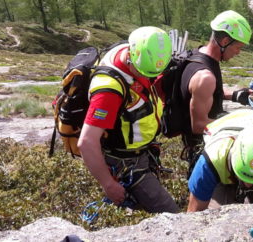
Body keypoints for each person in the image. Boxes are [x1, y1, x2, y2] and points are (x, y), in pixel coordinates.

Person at [77, 26, 179, 213]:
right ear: (132, 56)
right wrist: (108, 184)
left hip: (141, 154)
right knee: (171, 214)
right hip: (124, 162)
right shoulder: (108, 90)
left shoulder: (131, 51)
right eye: (145, 73)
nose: (149, 78)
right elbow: (86, 142)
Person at [177, 10, 252, 167]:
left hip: (206, 144)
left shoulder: (199, 55)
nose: (238, 52)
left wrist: (234, 95)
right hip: (205, 150)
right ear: (224, 41)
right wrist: (239, 124)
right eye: (238, 47)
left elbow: (209, 93)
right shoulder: (205, 77)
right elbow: (198, 125)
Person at [187, 109, 253, 211]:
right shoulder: (211, 162)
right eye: (243, 177)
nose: (248, 185)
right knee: (217, 211)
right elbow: (195, 214)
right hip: (222, 139)